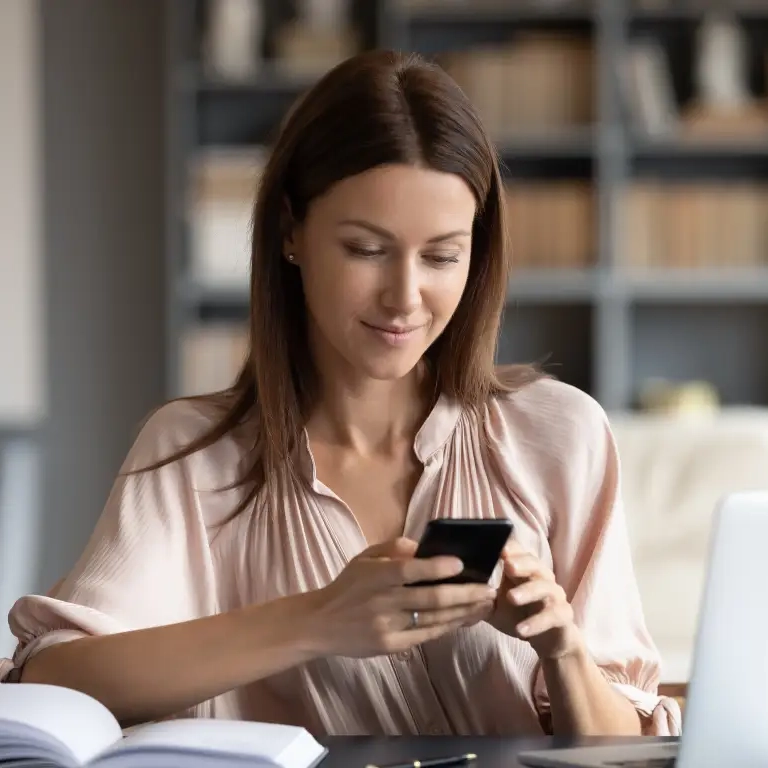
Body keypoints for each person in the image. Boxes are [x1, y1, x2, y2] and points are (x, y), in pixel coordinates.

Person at [0, 50, 680, 738]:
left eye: (443, 255)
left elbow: (621, 746)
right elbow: (56, 679)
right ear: (292, 232)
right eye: (366, 249)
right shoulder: (193, 455)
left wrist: (560, 645)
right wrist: (320, 618)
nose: (406, 297)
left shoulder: (560, 434)